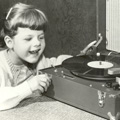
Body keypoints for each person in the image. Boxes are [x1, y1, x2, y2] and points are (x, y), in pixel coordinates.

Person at [0, 2, 72, 111]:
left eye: (41, 37)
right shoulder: (1, 65)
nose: (37, 43)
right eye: (28, 39)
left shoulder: (38, 60)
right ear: (10, 42)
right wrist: (30, 86)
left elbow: (56, 64)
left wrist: (81, 60)